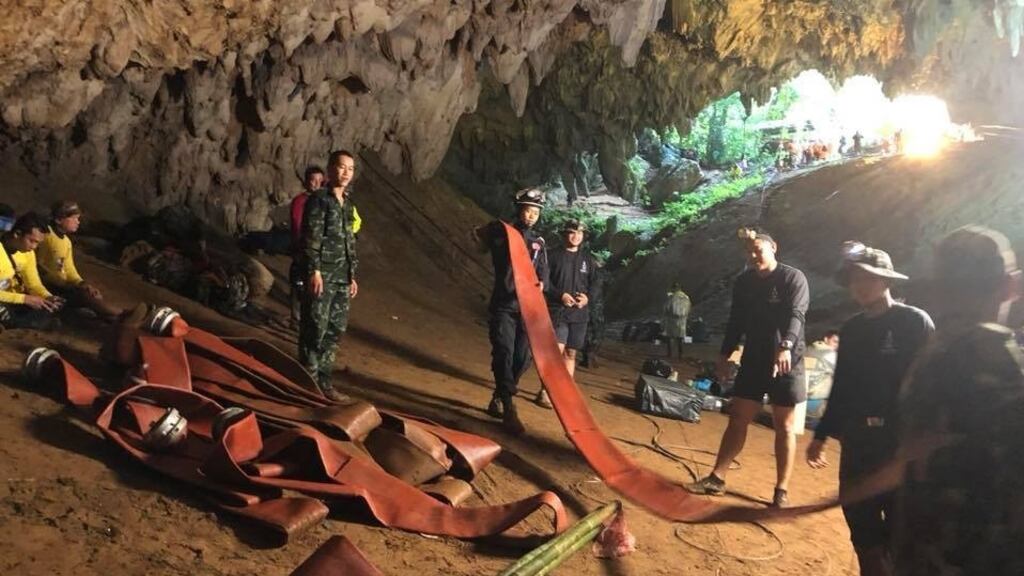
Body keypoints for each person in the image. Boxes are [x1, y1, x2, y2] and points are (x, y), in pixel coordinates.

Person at [890, 226, 1024, 575]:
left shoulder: (931, 356)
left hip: (921, 553)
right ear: (1011, 286)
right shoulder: (998, 359)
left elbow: (914, 456)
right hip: (981, 556)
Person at [806, 242, 934, 576]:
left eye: (869, 278)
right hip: (859, 442)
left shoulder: (914, 323)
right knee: (862, 529)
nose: (860, 286)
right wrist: (821, 435)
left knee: (900, 532)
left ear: (887, 280)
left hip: (899, 443)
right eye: (854, 279)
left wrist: (923, 441)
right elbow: (843, 386)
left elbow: (932, 383)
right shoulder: (852, 330)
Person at [688, 227, 809, 507]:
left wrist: (786, 346)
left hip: (788, 360)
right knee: (738, 417)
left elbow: (796, 314)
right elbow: (736, 320)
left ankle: (781, 490)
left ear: (773, 247)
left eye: (759, 250)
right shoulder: (744, 282)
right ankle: (717, 478)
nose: (755, 256)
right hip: (755, 357)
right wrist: (724, 354)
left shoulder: (792, 278)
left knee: (785, 425)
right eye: (750, 252)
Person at [473, 187, 549, 434]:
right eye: (528, 211)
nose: (531, 216)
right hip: (504, 304)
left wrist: (541, 284)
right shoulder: (503, 232)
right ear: (519, 210)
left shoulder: (539, 243)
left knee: (522, 357)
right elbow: (478, 241)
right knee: (504, 351)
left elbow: (543, 274)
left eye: (536, 212)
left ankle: (500, 393)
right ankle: (507, 404)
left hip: (528, 309)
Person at [298, 150, 360, 402]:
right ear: (331, 168)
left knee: (335, 329)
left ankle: (324, 382)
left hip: (341, 277)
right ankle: (306, 383)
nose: (346, 173)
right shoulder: (319, 200)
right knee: (315, 328)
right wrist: (314, 270)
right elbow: (311, 237)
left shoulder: (347, 203)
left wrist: (351, 275)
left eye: (350, 169)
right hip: (322, 275)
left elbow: (349, 241)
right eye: (342, 167)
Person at [35, 200, 121, 320]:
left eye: (78, 218)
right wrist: (66, 285)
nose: (78, 222)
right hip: (47, 287)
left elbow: (69, 269)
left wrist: (82, 283)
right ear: (59, 219)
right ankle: (119, 314)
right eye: (74, 218)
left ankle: (113, 316)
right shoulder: (45, 236)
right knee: (84, 296)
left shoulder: (66, 242)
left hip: (61, 285)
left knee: (89, 292)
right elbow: (39, 266)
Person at [543, 219, 596, 404]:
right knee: (556, 351)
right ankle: (546, 390)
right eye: (572, 232)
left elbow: (595, 284)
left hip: (579, 314)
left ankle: (563, 391)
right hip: (558, 311)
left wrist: (587, 297)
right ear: (564, 234)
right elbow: (544, 282)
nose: (576, 237)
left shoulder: (587, 259)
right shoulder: (551, 256)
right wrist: (560, 295)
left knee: (571, 353)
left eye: (580, 233)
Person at [0, 212, 63, 330]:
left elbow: (33, 284)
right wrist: (24, 299)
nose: (34, 247)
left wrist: (47, 297)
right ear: (17, 234)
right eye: (32, 241)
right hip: (7, 300)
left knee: (48, 308)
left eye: (38, 243)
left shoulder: (28, 253)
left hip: (12, 299)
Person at [289, 166, 325, 327]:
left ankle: (312, 319)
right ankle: (296, 319)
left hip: (319, 251)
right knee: (299, 284)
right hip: (303, 249)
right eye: (313, 180)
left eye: (320, 181)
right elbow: (297, 225)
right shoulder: (300, 201)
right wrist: (301, 247)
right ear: (306, 182)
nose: (317, 184)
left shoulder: (324, 201)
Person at [578, 257, 608, 369]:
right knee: (597, 332)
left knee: (587, 331)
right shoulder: (602, 275)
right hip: (594, 307)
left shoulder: (586, 272)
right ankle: (590, 354)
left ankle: (588, 355)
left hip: (588, 305)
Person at [662, 283, 691, 359]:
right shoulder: (686, 297)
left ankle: (670, 353)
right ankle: (680, 354)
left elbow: (666, 308)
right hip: (682, 321)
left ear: (673, 288)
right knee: (680, 338)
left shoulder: (671, 297)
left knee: (669, 337)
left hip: (671, 320)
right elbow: (689, 308)